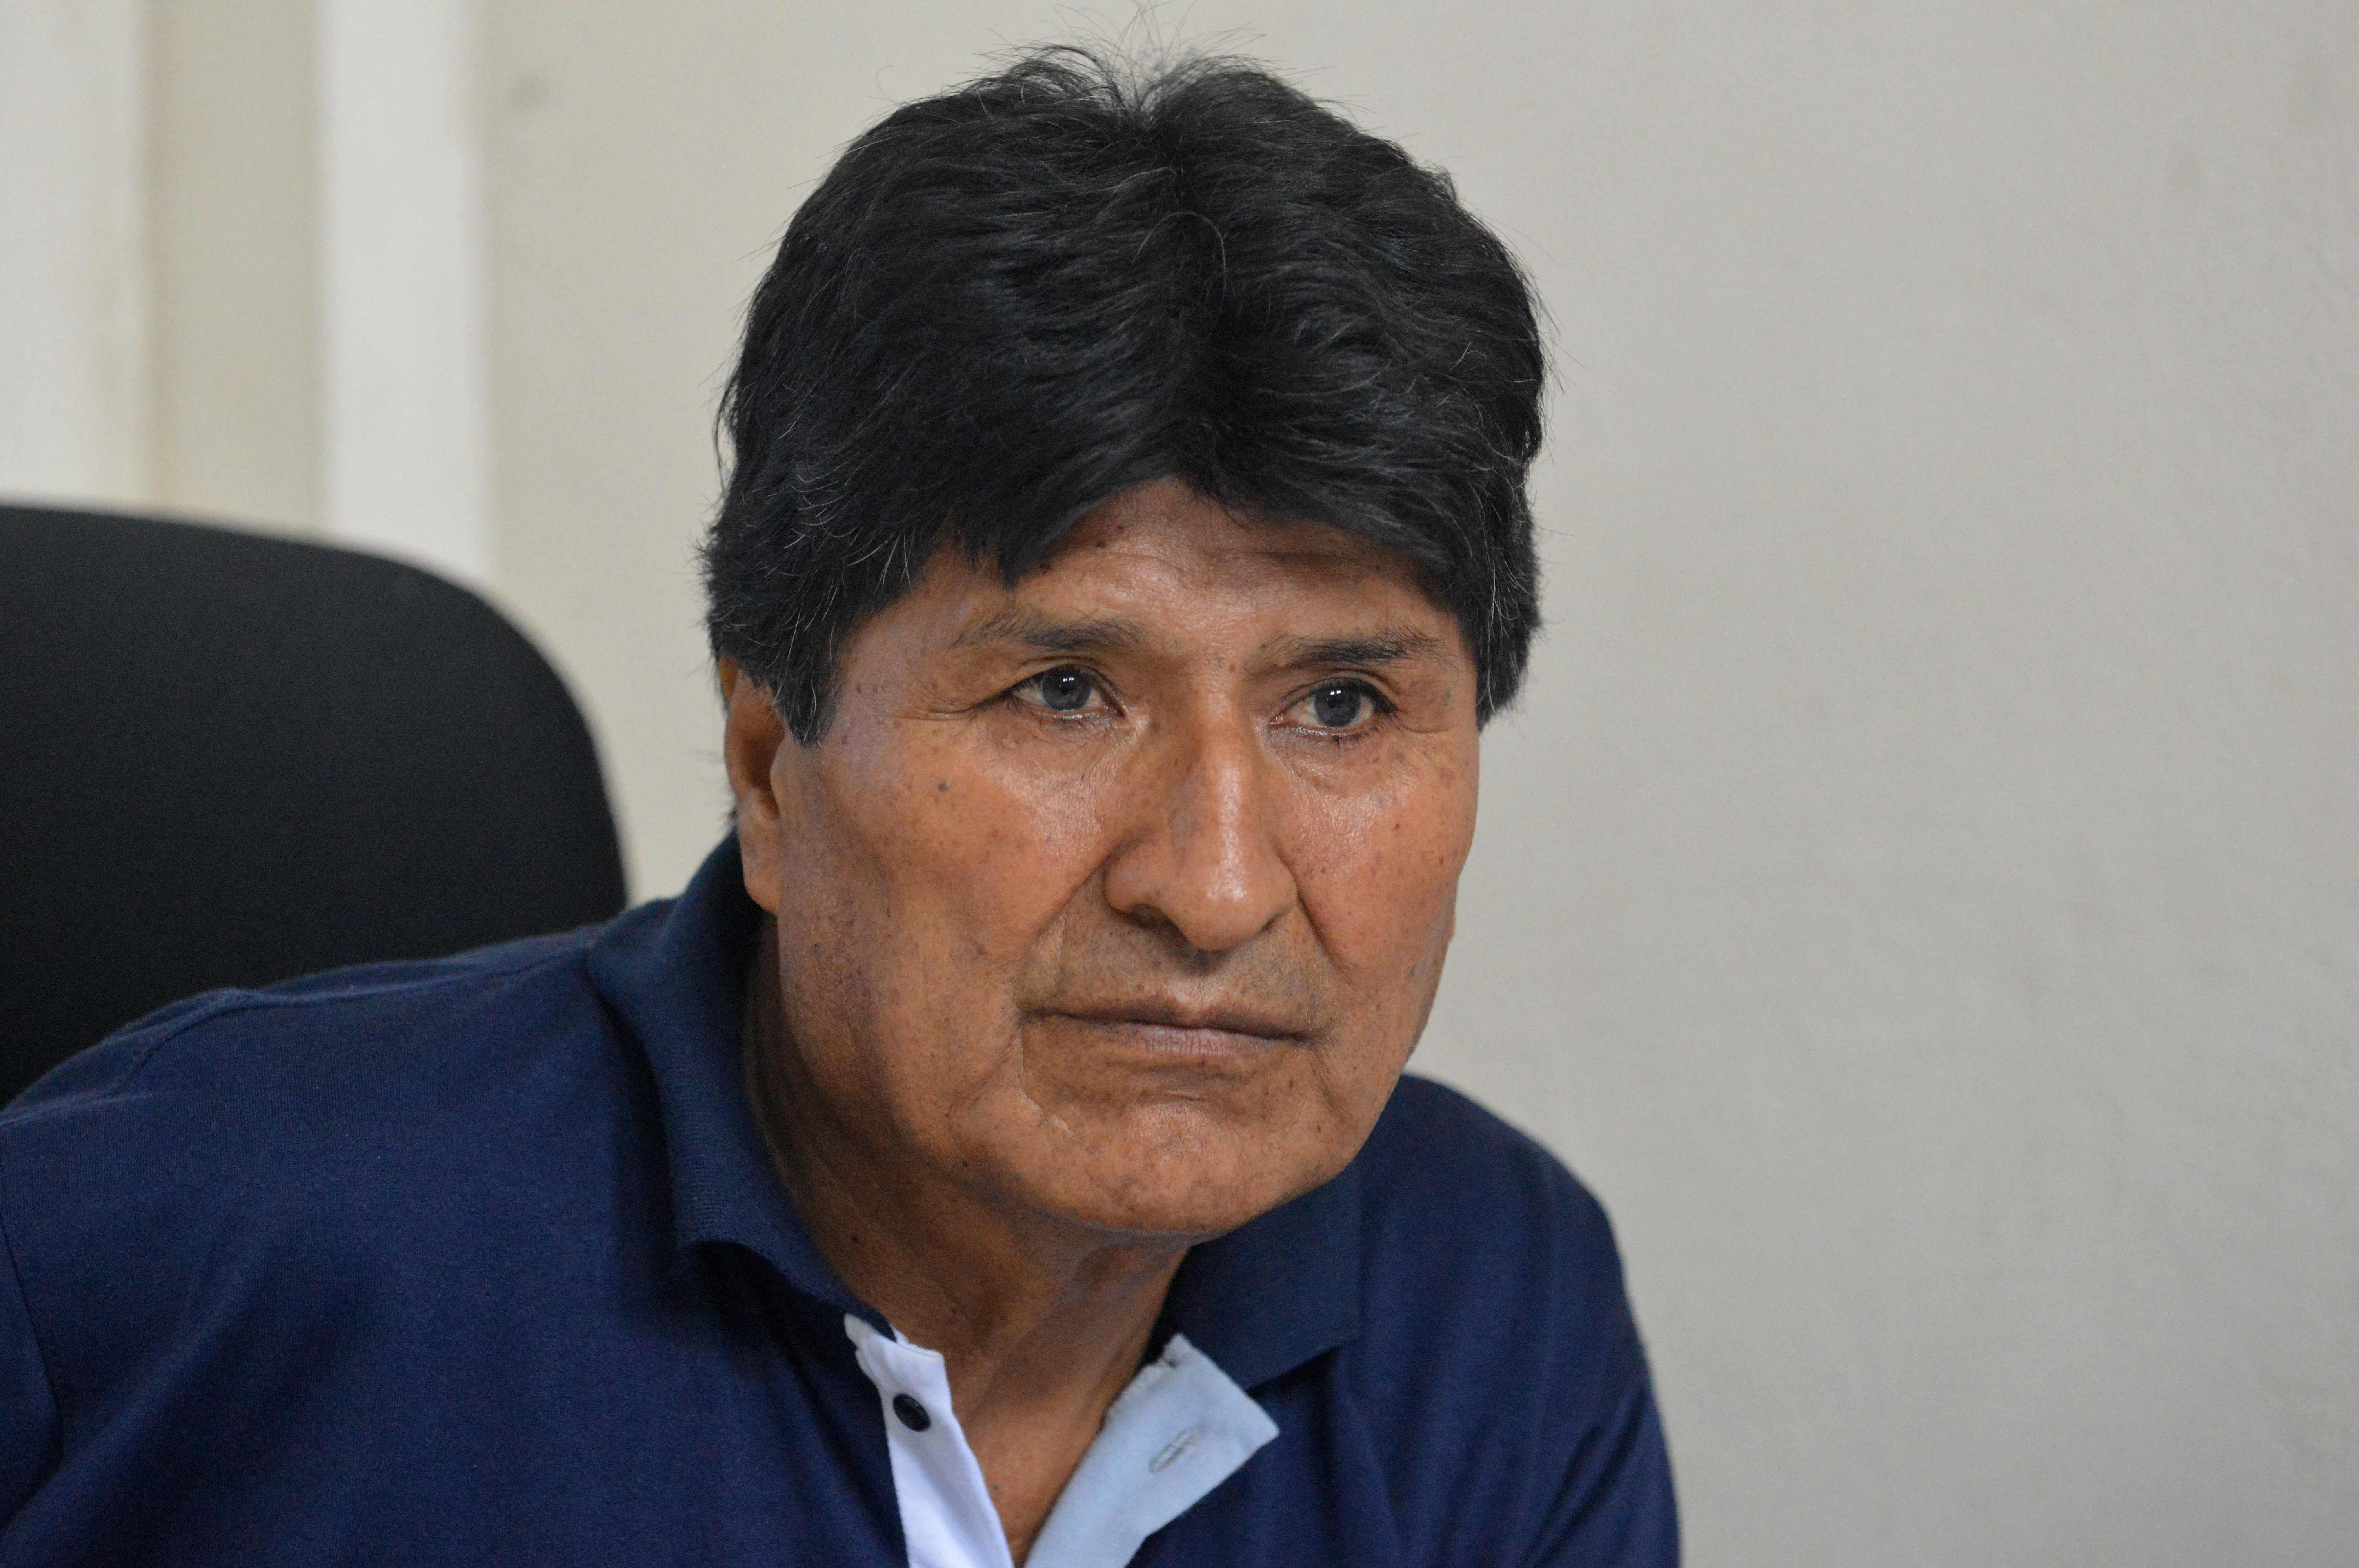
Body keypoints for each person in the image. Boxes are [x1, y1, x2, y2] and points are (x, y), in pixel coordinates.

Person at [0, 47, 1676, 1568]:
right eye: (1063, 691)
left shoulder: (1494, 1305)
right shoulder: (188, 1246)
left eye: (1342, 707)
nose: (1217, 884)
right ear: (765, 764)